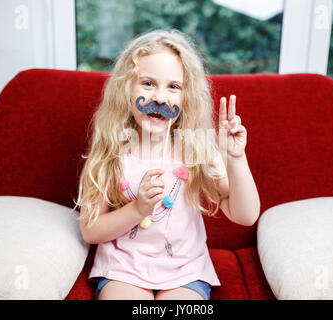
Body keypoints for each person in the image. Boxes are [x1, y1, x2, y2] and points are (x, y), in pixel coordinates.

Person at [75, 29, 260, 300]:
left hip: (186, 273)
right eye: (148, 83)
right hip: (123, 270)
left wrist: (236, 158)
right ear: (126, 89)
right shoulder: (110, 151)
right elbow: (90, 230)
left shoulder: (196, 147)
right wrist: (138, 209)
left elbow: (246, 215)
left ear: (186, 98)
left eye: (173, 87)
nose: (160, 98)